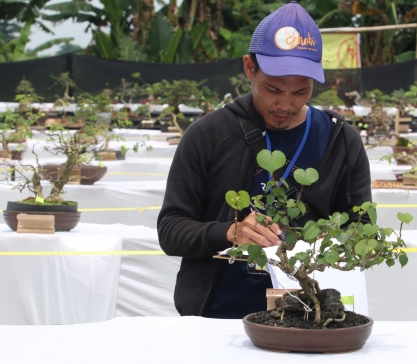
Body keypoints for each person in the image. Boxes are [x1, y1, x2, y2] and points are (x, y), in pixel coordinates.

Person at [157, 1, 371, 319]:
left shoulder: (341, 140)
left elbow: (362, 229)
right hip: (217, 317)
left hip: (310, 316)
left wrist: (331, 238)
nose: (285, 103)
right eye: (272, 88)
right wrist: (229, 233)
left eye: (301, 91)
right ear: (249, 68)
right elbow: (171, 229)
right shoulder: (208, 135)